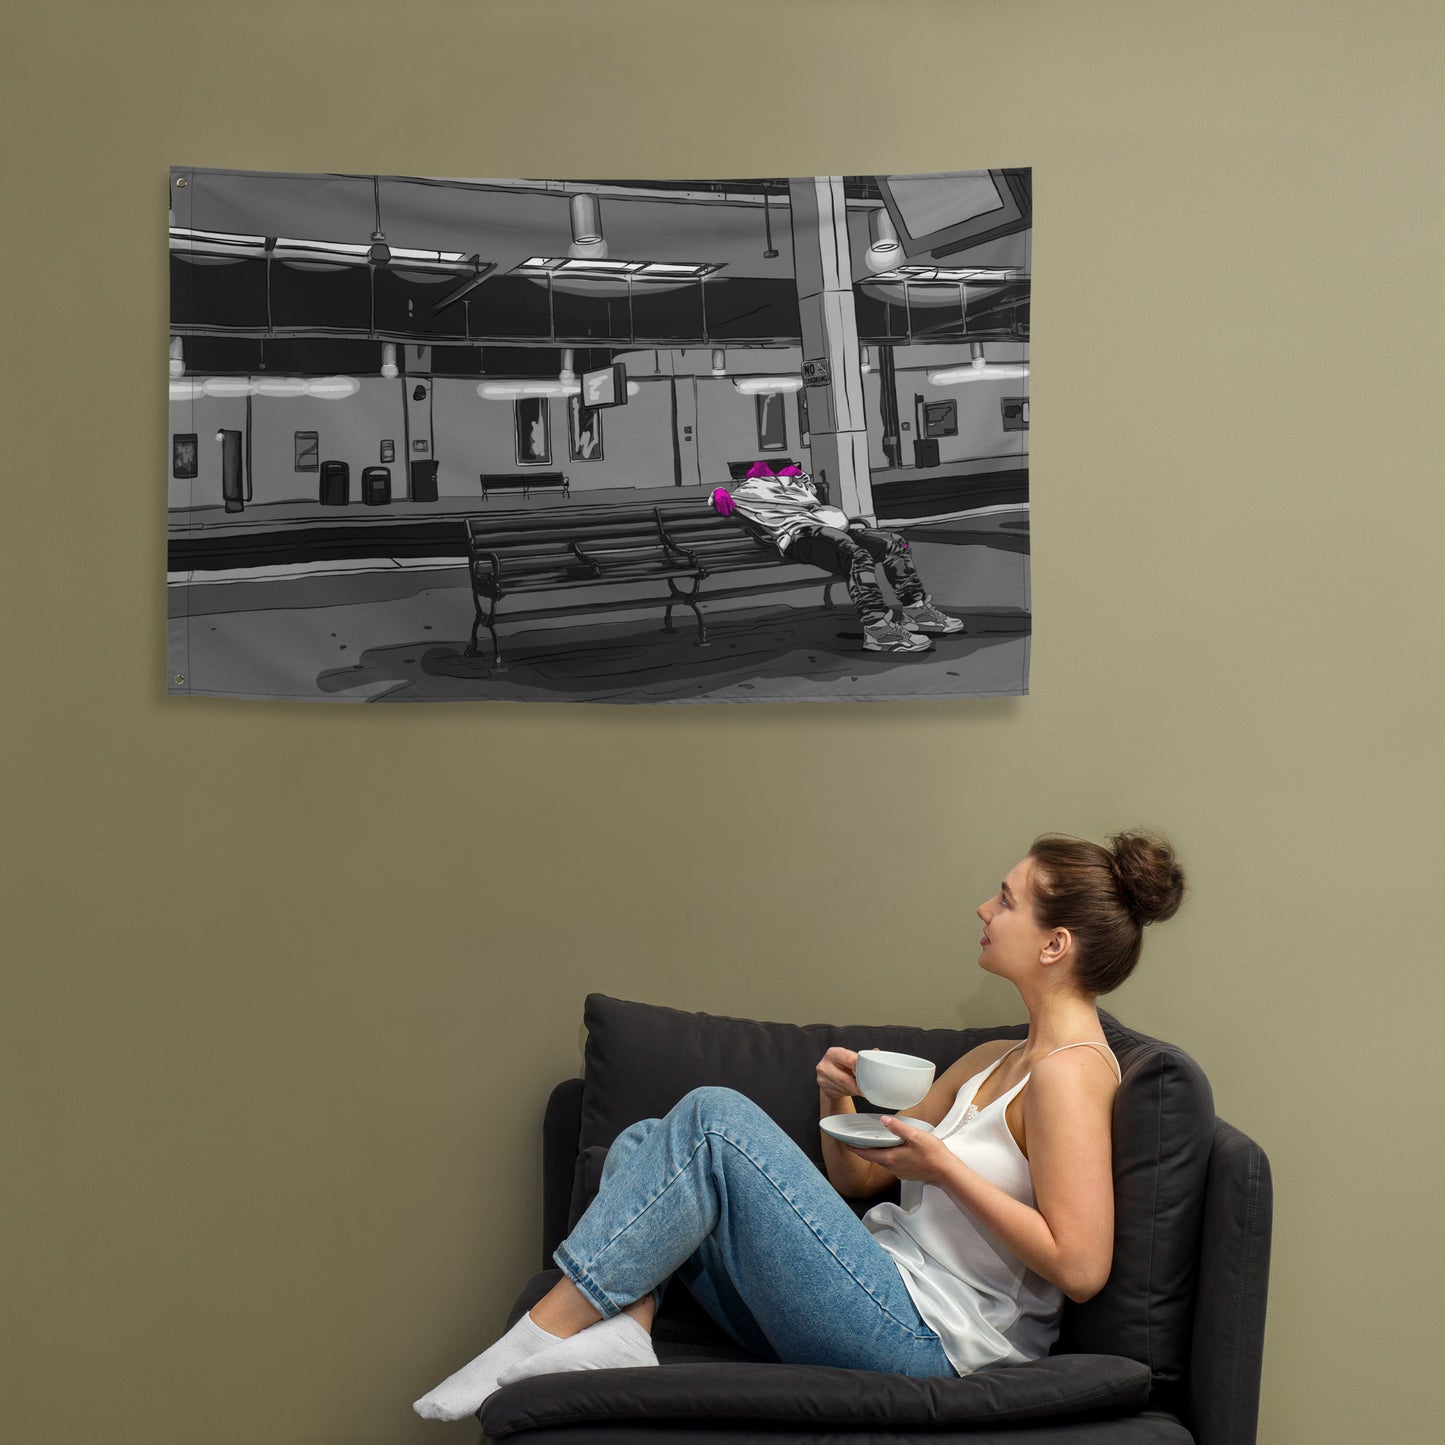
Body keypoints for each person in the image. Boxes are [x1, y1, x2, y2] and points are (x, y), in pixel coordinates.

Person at [412, 828, 1186, 1421]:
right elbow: (859, 1177)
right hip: (871, 1293)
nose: (984, 909)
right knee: (643, 1139)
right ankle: (627, 1325)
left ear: (1056, 944)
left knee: (713, 1116)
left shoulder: (1070, 1074)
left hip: (929, 1342)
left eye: (1007, 900)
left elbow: (1079, 1265)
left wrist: (946, 1168)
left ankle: (537, 1340)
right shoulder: (995, 1056)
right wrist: (834, 1100)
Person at [707, 460, 967, 654]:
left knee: (892, 542)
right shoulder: (750, 489)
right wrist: (719, 494)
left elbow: (817, 504)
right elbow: (718, 497)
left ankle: (915, 609)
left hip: (830, 529)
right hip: (801, 536)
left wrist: (799, 482)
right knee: (857, 555)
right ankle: (877, 629)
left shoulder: (797, 486)